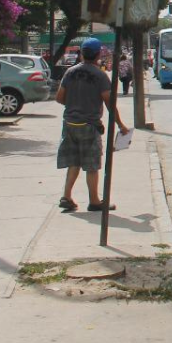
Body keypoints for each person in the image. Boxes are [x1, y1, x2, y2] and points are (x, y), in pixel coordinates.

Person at [56, 38, 128, 213]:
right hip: (89, 125)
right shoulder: (100, 75)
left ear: (81, 53)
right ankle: (94, 201)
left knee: (74, 162)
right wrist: (121, 125)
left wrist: (74, 104)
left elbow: (59, 98)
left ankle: (67, 196)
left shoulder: (70, 72)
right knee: (92, 165)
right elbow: (109, 103)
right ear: (98, 55)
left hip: (70, 124)